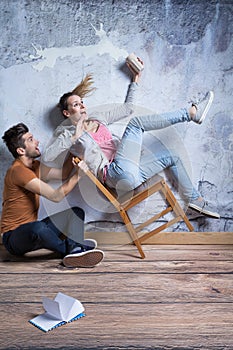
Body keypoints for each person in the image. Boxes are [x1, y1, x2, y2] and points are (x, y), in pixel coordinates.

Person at [42, 59, 220, 219]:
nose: (82, 106)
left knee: (172, 155)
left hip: (132, 173)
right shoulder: (67, 136)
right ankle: (191, 113)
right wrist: (76, 132)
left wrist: (135, 79)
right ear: (67, 113)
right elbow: (47, 157)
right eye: (76, 105)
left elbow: (128, 109)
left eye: (82, 102)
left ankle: (196, 200)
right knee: (136, 124)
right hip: (114, 174)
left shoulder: (98, 119)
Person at [1, 123, 104, 268]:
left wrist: (74, 146)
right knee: (37, 228)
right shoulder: (18, 171)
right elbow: (56, 196)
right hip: (13, 238)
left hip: (34, 232)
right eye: (30, 140)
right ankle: (72, 249)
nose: (37, 142)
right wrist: (79, 176)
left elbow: (63, 173)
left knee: (75, 213)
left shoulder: (35, 166)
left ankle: (75, 248)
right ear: (20, 150)